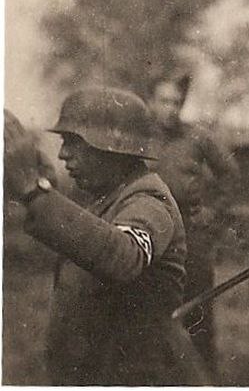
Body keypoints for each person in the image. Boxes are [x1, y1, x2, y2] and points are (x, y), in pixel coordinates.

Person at [3, 87, 207, 385]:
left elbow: (123, 256)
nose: (62, 154)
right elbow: (92, 240)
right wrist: (45, 191)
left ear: (114, 148)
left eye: (74, 142)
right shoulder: (112, 197)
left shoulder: (150, 202)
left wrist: (35, 193)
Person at [149, 72, 241, 375]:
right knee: (151, 313)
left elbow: (229, 172)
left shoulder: (196, 137)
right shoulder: (139, 138)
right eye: (164, 101)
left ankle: (204, 379)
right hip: (150, 233)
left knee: (198, 312)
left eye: (177, 103)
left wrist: (213, 213)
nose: (171, 109)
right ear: (151, 102)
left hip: (191, 236)